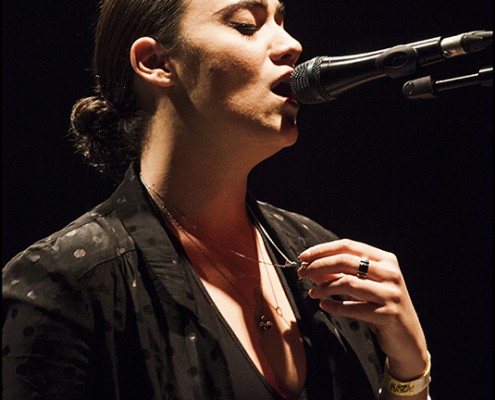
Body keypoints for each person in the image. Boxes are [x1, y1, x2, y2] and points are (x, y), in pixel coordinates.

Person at [2, 0, 431, 399]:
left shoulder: (313, 247)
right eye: (246, 24)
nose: (292, 45)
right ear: (155, 62)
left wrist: (411, 370)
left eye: (281, 21)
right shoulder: (64, 280)